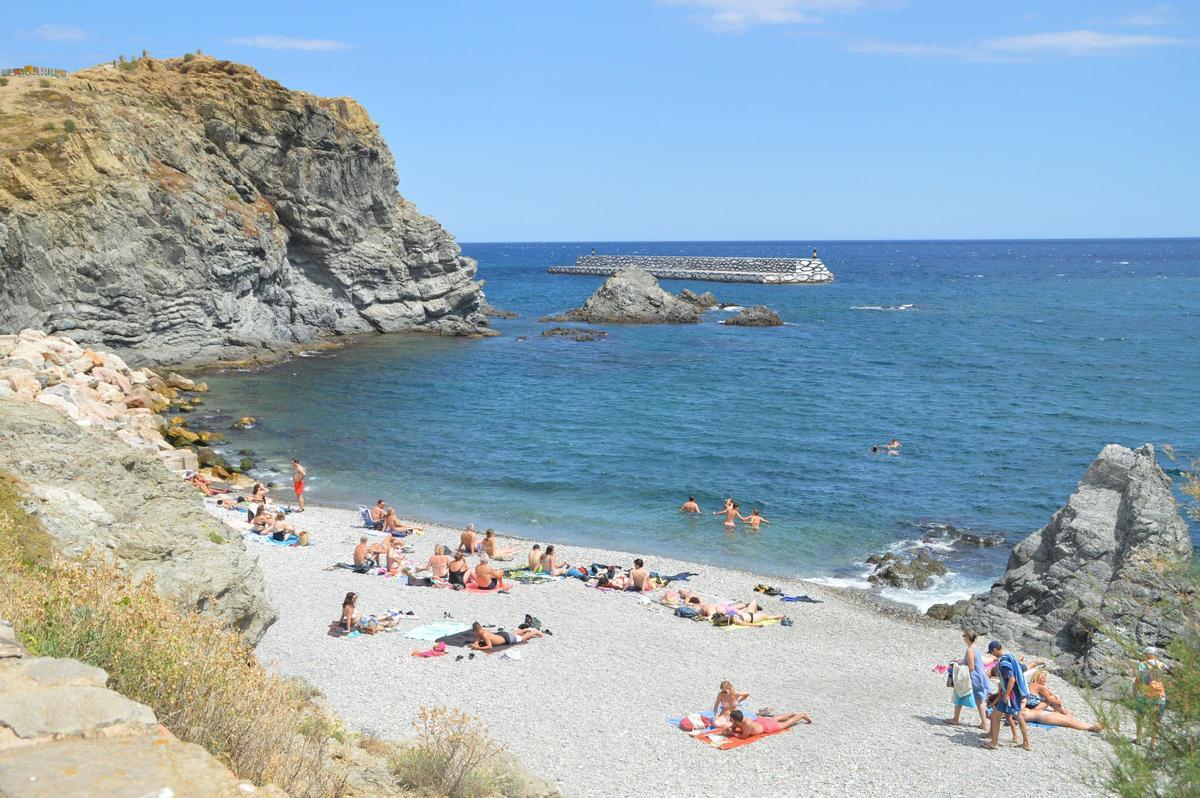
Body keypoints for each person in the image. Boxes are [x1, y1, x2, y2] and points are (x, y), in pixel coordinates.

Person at [984, 641, 1031, 751]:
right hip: (1017, 693)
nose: (992, 654)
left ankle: (994, 742)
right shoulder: (1009, 656)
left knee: (995, 716)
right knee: (1019, 716)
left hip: (1011, 695)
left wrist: (1005, 695)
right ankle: (1026, 743)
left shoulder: (1004, 661)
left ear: (995, 649)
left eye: (992, 652)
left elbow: (1011, 679)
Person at [1019, 672, 1102, 732]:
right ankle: (1090, 727)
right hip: (1038, 714)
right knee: (1068, 721)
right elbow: (1051, 698)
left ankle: (1091, 726)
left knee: (1069, 719)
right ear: (1037, 677)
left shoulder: (1028, 688)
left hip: (1039, 713)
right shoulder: (1021, 711)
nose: (1045, 679)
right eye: (1043, 677)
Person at [944, 629, 989, 730]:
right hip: (980, 676)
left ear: (967, 637)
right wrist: (959, 661)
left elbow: (971, 667)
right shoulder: (974, 648)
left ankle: (957, 719)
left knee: (962, 694)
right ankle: (983, 723)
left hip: (973, 677)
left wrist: (959, 669)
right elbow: (970, 661)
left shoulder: (969, 650)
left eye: (964, 636)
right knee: (978, 700)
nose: (963, 637)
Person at [1134, 646, 1168, 749]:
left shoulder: (1142, 665)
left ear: (1148, 655)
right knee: (1156, 720)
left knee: (1140, 717)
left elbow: (1138, 680)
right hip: (1159, 697)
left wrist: (1135, 693)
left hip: (1144, 696)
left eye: (1144, 654)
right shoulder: (1163, 665)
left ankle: (1139, 739)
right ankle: (1153, 744)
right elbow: (1171, 674)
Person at [728, 709, 811, 738]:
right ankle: (792, 714)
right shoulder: (739, 718)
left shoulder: (747, 724)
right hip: (759, 722)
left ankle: (801, 715)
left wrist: (732, 733)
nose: (730, 720)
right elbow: (733, 727)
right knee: (775, 719)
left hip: (766, 727)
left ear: (735, 720)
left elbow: (743, 737)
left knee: (786, 724)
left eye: (731, 719)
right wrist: (731, 729)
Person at [470, 621, 543, 650]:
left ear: (476, 630)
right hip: (502, 635)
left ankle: (534, 631)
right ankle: (524, 630)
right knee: (512, 634)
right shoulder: (482, 631)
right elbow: (478, 638)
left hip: (507, 639)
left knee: (523, 638)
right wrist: (476, 643)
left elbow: (490, 646)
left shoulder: (484, 635)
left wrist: (479, 648)